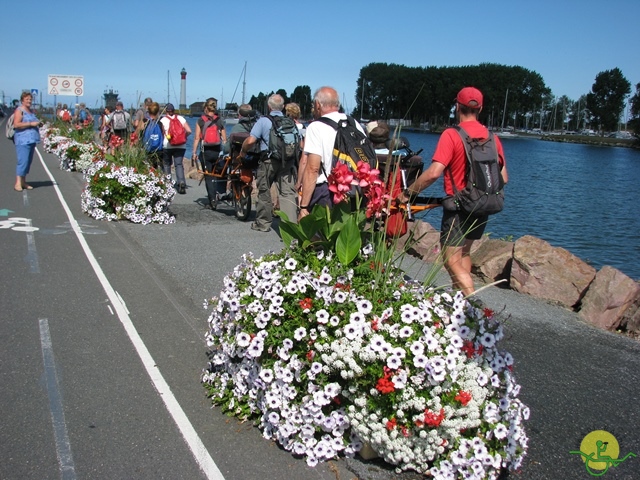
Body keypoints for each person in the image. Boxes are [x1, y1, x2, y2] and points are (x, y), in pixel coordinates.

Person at [395, 87, 509, 295]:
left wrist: (407, 193)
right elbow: (504, 178)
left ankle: (473, 307)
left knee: (449, 258)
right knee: (463, 253)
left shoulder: (452, 134)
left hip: (458, 207)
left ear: (457, 107)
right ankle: (460, 303)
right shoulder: (492, 137)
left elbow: (433, 173)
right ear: (480, 108)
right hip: (483, 204)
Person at [298, 86, 366, 221]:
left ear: (318, 105)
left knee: (317, 239)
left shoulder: (316, 127)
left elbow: (313, 169)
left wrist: (304, 207)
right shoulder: (354, 123)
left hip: (326, 191)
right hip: (354, 191)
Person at [239, 94, 298, 232]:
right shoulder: (290, 121)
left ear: (269, 106)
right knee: (287, 193)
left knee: (264, 191)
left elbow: (251, 140)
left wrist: (243, 151)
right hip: (287, 162)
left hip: (268, 161)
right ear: (283, 107)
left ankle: (263, 223)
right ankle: (291, 228)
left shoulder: (263, 121)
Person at [191, 98, 227, 207]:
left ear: (206, 108)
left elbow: (197, 138)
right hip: (217, 150)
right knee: (216, 174)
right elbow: (224, 139)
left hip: (205, 152)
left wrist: (194, 152)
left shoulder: (200, 121)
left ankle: (212, 200)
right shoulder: (219, 120)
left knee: (208, 176)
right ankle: (218, 194)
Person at [12, 92, 41, 191]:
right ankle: (18, 183)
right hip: (23, 140)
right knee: (22, 161)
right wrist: (31, 124)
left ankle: (23, 182)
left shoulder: (30, 111)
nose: (29, 101)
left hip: (31, 140)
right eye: (27, 99)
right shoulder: (19, 110)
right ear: (22, 100)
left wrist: (38, 124)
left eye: (30, 99)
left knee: (28, 162)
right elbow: (16, 125)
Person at [160, 103, 191, 194]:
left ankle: (168, 184)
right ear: (174, 110)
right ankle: (181, 182)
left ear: (166, 111)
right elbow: (189, 130)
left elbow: (162, 133)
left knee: (166, 164)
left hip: (168, 145)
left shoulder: (163, 120)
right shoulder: (181, 118)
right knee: (179, 164)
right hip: (181, 145)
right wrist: (184, 137)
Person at [140, 102, 164, 169]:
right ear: (157, 111)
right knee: (157, 167)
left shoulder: (145, 121)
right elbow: (163, 135)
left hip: (147, 149)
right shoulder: (160, 123)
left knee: (147, 167)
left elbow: (139, 133)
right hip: (158, 149)